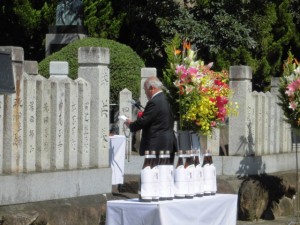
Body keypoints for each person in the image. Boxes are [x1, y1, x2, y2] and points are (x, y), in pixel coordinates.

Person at [125, 76, 177, 163]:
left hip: (157, 145)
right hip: (168, 143)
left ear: (151, 88)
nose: (145, 94)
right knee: (166, 173)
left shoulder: (155, 101)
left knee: (152, 173)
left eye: (145, 91)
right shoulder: (167, 98)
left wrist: (130, 124)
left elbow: (144, 121)